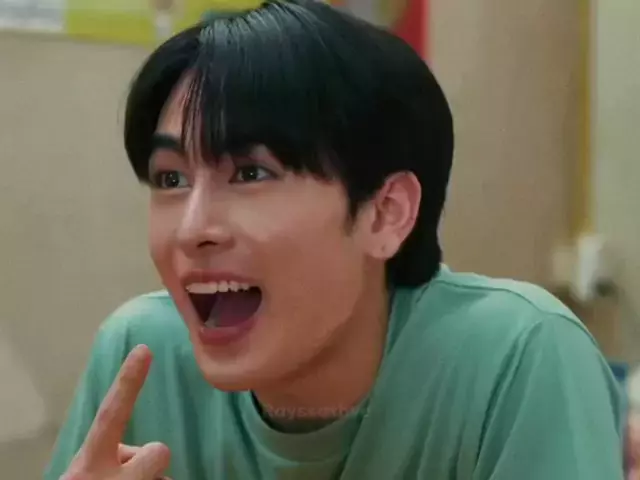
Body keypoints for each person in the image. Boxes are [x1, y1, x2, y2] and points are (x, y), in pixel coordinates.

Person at [45, 1, 626, 478]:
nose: (193, 229)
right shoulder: (141, 356)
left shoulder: (516, 358)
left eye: (250, 173)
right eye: (171, 179)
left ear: (385, 213)